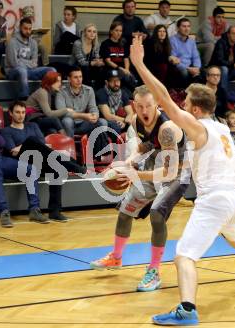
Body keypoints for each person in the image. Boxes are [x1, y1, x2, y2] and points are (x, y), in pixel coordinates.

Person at [130, 35, 235, 326]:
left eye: (186, 104)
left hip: (214, 201)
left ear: (196, 110)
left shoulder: (198, 128)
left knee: (184, 256)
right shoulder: (221, 128)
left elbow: (164, 101)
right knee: (234, 238)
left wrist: (139, 63)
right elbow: (190, 164)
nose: (181, 106)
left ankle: (187, 309)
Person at [90, 85, 188, 293]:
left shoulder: (167, 129)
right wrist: (130, 161)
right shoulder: (136, 120)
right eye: (140, 106)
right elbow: (145, 146)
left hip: (177, 173)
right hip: (154, 166)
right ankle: (116, 257)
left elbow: (169, 173)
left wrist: (135, 174)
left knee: (156, 214)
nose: (144, 111)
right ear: (134, 105)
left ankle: (154, 271)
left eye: (149, 106)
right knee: (125, 210)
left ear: (157, 105)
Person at [0, 101, 86, 222]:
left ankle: (55, 212)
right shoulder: (5, 131)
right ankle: (71, 164)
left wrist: (26, 145)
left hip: (39, 159)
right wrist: (26, 145)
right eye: (17, 112)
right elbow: (13, 151)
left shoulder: (32, 126)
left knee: (56, 169)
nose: (21, 115)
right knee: (31, 140)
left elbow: (44, 146)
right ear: (10, 113)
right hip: (21, 161)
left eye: (23, 112)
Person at [5, 18, 56, 99]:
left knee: (52, 70)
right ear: (20, 28)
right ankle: (24, 98)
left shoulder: (33, 43)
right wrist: (28, 63)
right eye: (25, 28)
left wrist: (21, 61)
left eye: (29, 29)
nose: (28, 31)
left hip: (30, 71)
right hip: (12, 71)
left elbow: (34, 63)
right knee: (22, 70)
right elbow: (13, 63)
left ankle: (46, 96)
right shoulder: (12, 42)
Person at [55, 66, 107, 137]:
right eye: (75, 77)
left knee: (102, 122)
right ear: (69, 79)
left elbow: (93, 108)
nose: (79, 80)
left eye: (80, 77)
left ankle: (99, 147)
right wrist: (83, 116)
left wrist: (95, 115)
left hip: (84, 123)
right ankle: (70, 146)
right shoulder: (61, 91)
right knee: (67, 121)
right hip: (69, 124)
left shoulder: (89, 90)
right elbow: (61, 113)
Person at [26, 71, 71, 135]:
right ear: (50, 81)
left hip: (41, 118)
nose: (60, 84)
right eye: (57, 81)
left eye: (60, 81)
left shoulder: (50, 92)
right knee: (54, 120)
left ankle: (59, 143)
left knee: (52, 131)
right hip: (31, 119)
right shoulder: (42, 92)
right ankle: (66, 140)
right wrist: (66, 110)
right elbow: (49, 114)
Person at [96, 69, 134, 137]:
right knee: (115, 126)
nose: (116, 83)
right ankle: (115, 147)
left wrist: (126, 121)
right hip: (103, 121)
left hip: (118, 120)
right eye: (113, 81)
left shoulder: (123, 93)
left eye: (118, 80)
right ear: (106, 82)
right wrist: (125, 120)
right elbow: (108, 116)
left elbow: (130, 112)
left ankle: (132, 146)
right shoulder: (101, 93)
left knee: (134, 125)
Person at [100, 21, 136, 90]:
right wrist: (121, 69)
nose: (119, 33)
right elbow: (108, 61)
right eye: (116, 30)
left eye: (120, 31)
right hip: (111, 68)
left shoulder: (123, 43)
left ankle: (131, 97)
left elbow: (126, 58)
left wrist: (127, 69)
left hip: (122, 69)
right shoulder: (105, 44)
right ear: (111, 31)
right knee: (123, 77)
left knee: (131, 77)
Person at [70, 23, 105, 89]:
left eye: (94, 32)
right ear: (85, 33)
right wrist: (94, 63)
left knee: (101, 69)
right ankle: (87, 90)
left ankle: (97, 91)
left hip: (89, 66)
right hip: (76, 66)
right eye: (89, 31)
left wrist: (99, 61)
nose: (92, 33)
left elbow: (96, 57)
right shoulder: (78, 44)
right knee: (85, 69)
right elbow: (81, 62)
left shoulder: (96, 44)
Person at [169, 18, 201, 87]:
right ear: (178, 28)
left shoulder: (191, 41)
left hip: (191, 66)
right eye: (184, 26)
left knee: (204, 72)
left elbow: (196, 57)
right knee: (184, 72)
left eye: (188, 26)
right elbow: (174, 61)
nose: (187, 29)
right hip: (179, 67)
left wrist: (196, 67)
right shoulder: (172, 40)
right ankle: (184, 94)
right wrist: (188, 68)